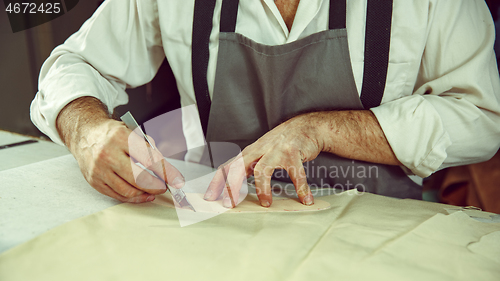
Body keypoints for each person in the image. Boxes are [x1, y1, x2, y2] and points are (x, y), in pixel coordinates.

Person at [31, 0, 500, 208]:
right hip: (223, 226)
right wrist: (86, 129)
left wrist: (319, 129)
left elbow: (481, 117)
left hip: (377, 237)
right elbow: (73, 63)